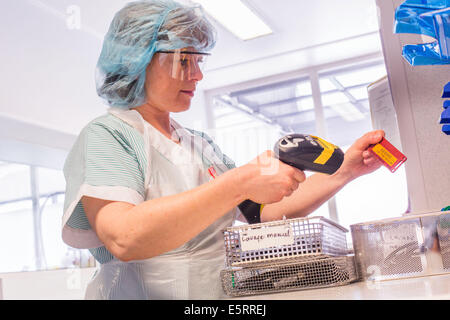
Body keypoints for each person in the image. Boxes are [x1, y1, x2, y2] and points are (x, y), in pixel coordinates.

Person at [62, 0, 384, 300]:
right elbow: (124, 238)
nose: (198, 75)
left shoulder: (198, 144)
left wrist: (345, 171)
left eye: (199, 61)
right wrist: (237, 183)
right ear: (137, 60)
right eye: (183, 60)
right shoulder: (107, 136)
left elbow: (259, 213)